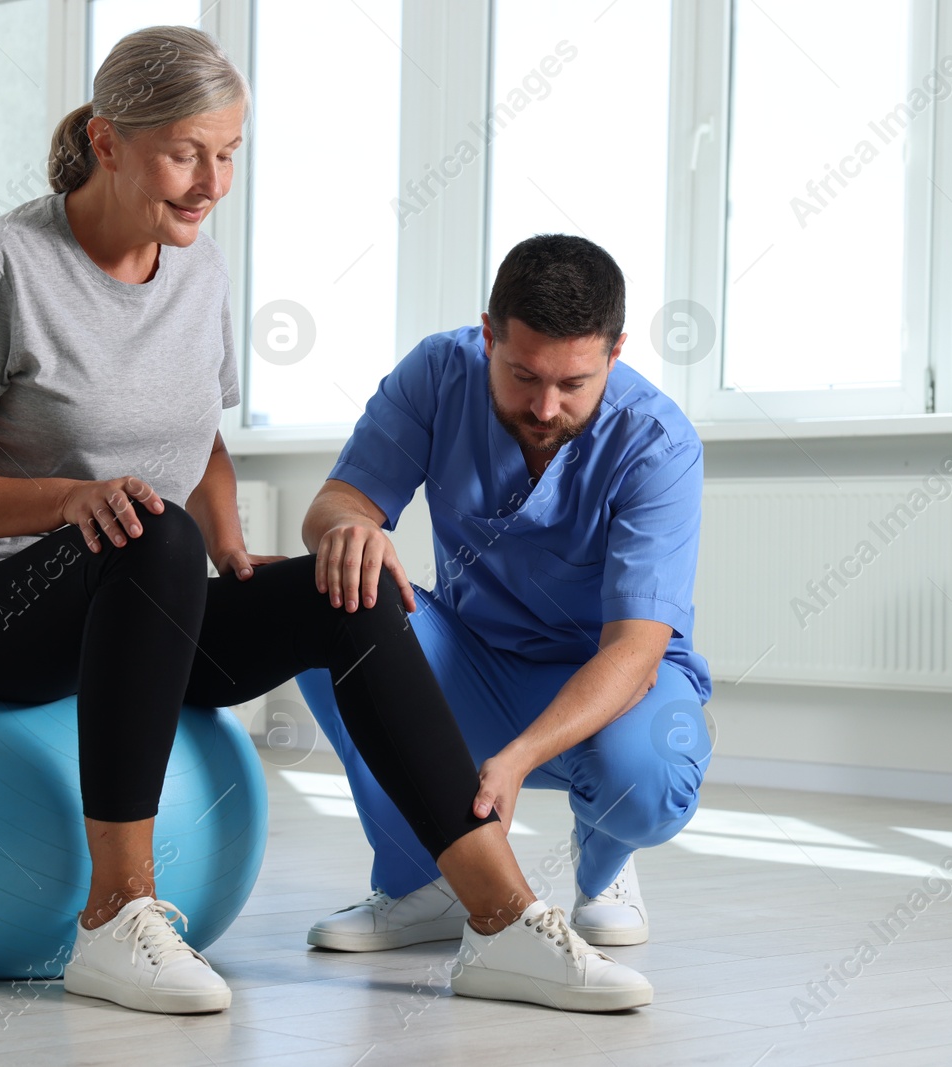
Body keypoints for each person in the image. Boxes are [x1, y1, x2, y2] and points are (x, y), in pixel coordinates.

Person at [0, 26, 650, 1015]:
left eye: (228, 154)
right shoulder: (4, 264)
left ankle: (500, 920)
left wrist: (232, 544)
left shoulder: (196, 270)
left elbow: (195, 435)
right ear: (108, 143)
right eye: (185, 152)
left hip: (125, 603)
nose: (210, 182)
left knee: (352, 585)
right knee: (155, 534)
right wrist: (68, 500)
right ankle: (116, 913)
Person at [297, 234, 712, 953]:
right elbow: (334, 504)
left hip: (611, 684)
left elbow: (636, 653)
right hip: (472, 661)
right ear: (488, 336)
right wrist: (350, 530)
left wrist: (518, 757)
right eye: (523, 375)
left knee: (644, 782)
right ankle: (423, 881)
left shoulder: (658, 444)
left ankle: (606, 859)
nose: (545, 406)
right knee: (317, 600)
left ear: (614, 355)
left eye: (574, 383)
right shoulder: (437, 372)